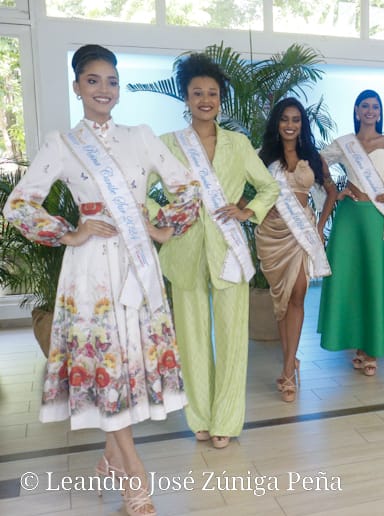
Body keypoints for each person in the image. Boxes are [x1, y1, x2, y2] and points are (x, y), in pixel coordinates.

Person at [2, 44, 200, 516]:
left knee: (132, 359)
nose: (104, 89)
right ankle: (134, 470)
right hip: (90, 269)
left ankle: (112, 456)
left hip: (137, 262)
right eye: (93, 80)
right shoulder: (63, 144)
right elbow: (19, 205)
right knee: (108, 361)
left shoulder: (142, 136)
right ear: (77, 87)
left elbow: (188, 186)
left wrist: (162, 227)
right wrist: (69, 233)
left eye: (111, 81)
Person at [153, 54, 279, 446]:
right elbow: (137, 192)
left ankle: (226, 420)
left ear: (221, 99)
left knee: (231, 338)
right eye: (197, 93)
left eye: (212, 93)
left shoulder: (238, 144)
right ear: (185, 97)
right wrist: (166, 217)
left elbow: (269, 187)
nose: (205, 100)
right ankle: (200, 418)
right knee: (191, 339)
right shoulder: (166, 145)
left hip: (228, 250)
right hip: (184, 250)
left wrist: (247, 211)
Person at [318, 89, 384, 376]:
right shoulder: (344, 143)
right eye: (364, 106)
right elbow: (317, 164)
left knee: (373, 280)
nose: (369, 110)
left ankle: (371, 349)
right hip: (350, 220)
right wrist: (332, 189)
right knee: (351, 279)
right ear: (356, 111)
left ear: (379, 112)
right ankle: (358, 343)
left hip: (377, 217)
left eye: (374, 107)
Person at [256, 98, 337, 401]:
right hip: (273, 235)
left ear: (302, 124)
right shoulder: (262, 156)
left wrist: (320, 225)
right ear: (276, 123)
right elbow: (241, 192)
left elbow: (331, 192)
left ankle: (288, 369)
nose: (290, 125)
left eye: (296, 120)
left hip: (301, 231)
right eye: (284, 119)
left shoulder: (313, 157)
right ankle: (289, 358)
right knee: (282, 297)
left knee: (299, 293)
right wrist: (257, 211)